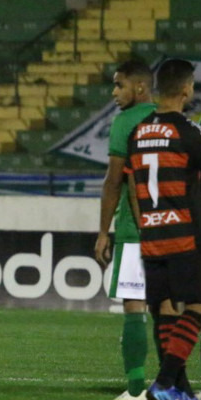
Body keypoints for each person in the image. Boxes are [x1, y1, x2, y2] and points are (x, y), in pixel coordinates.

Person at [126, 59, 201, 400]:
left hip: (151, 233)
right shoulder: (189, 134)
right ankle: (166, 382)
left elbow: (133, 186)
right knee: (196, 307)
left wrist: (145, 225)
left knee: (166, 309)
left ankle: (177, 390)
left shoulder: (137, 132)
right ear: (186, 89)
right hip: (184, 233)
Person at [94, 60, 155, 400]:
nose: (114, 92)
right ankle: (173, 382)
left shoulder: (125, 123)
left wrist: (104, 232)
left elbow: (113, 181)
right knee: (170, 308)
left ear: (140, 87)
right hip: (174, 228)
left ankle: (135, 387)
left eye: (120, 85)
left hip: (134, 230)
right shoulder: (173, 121)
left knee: (135, 306)